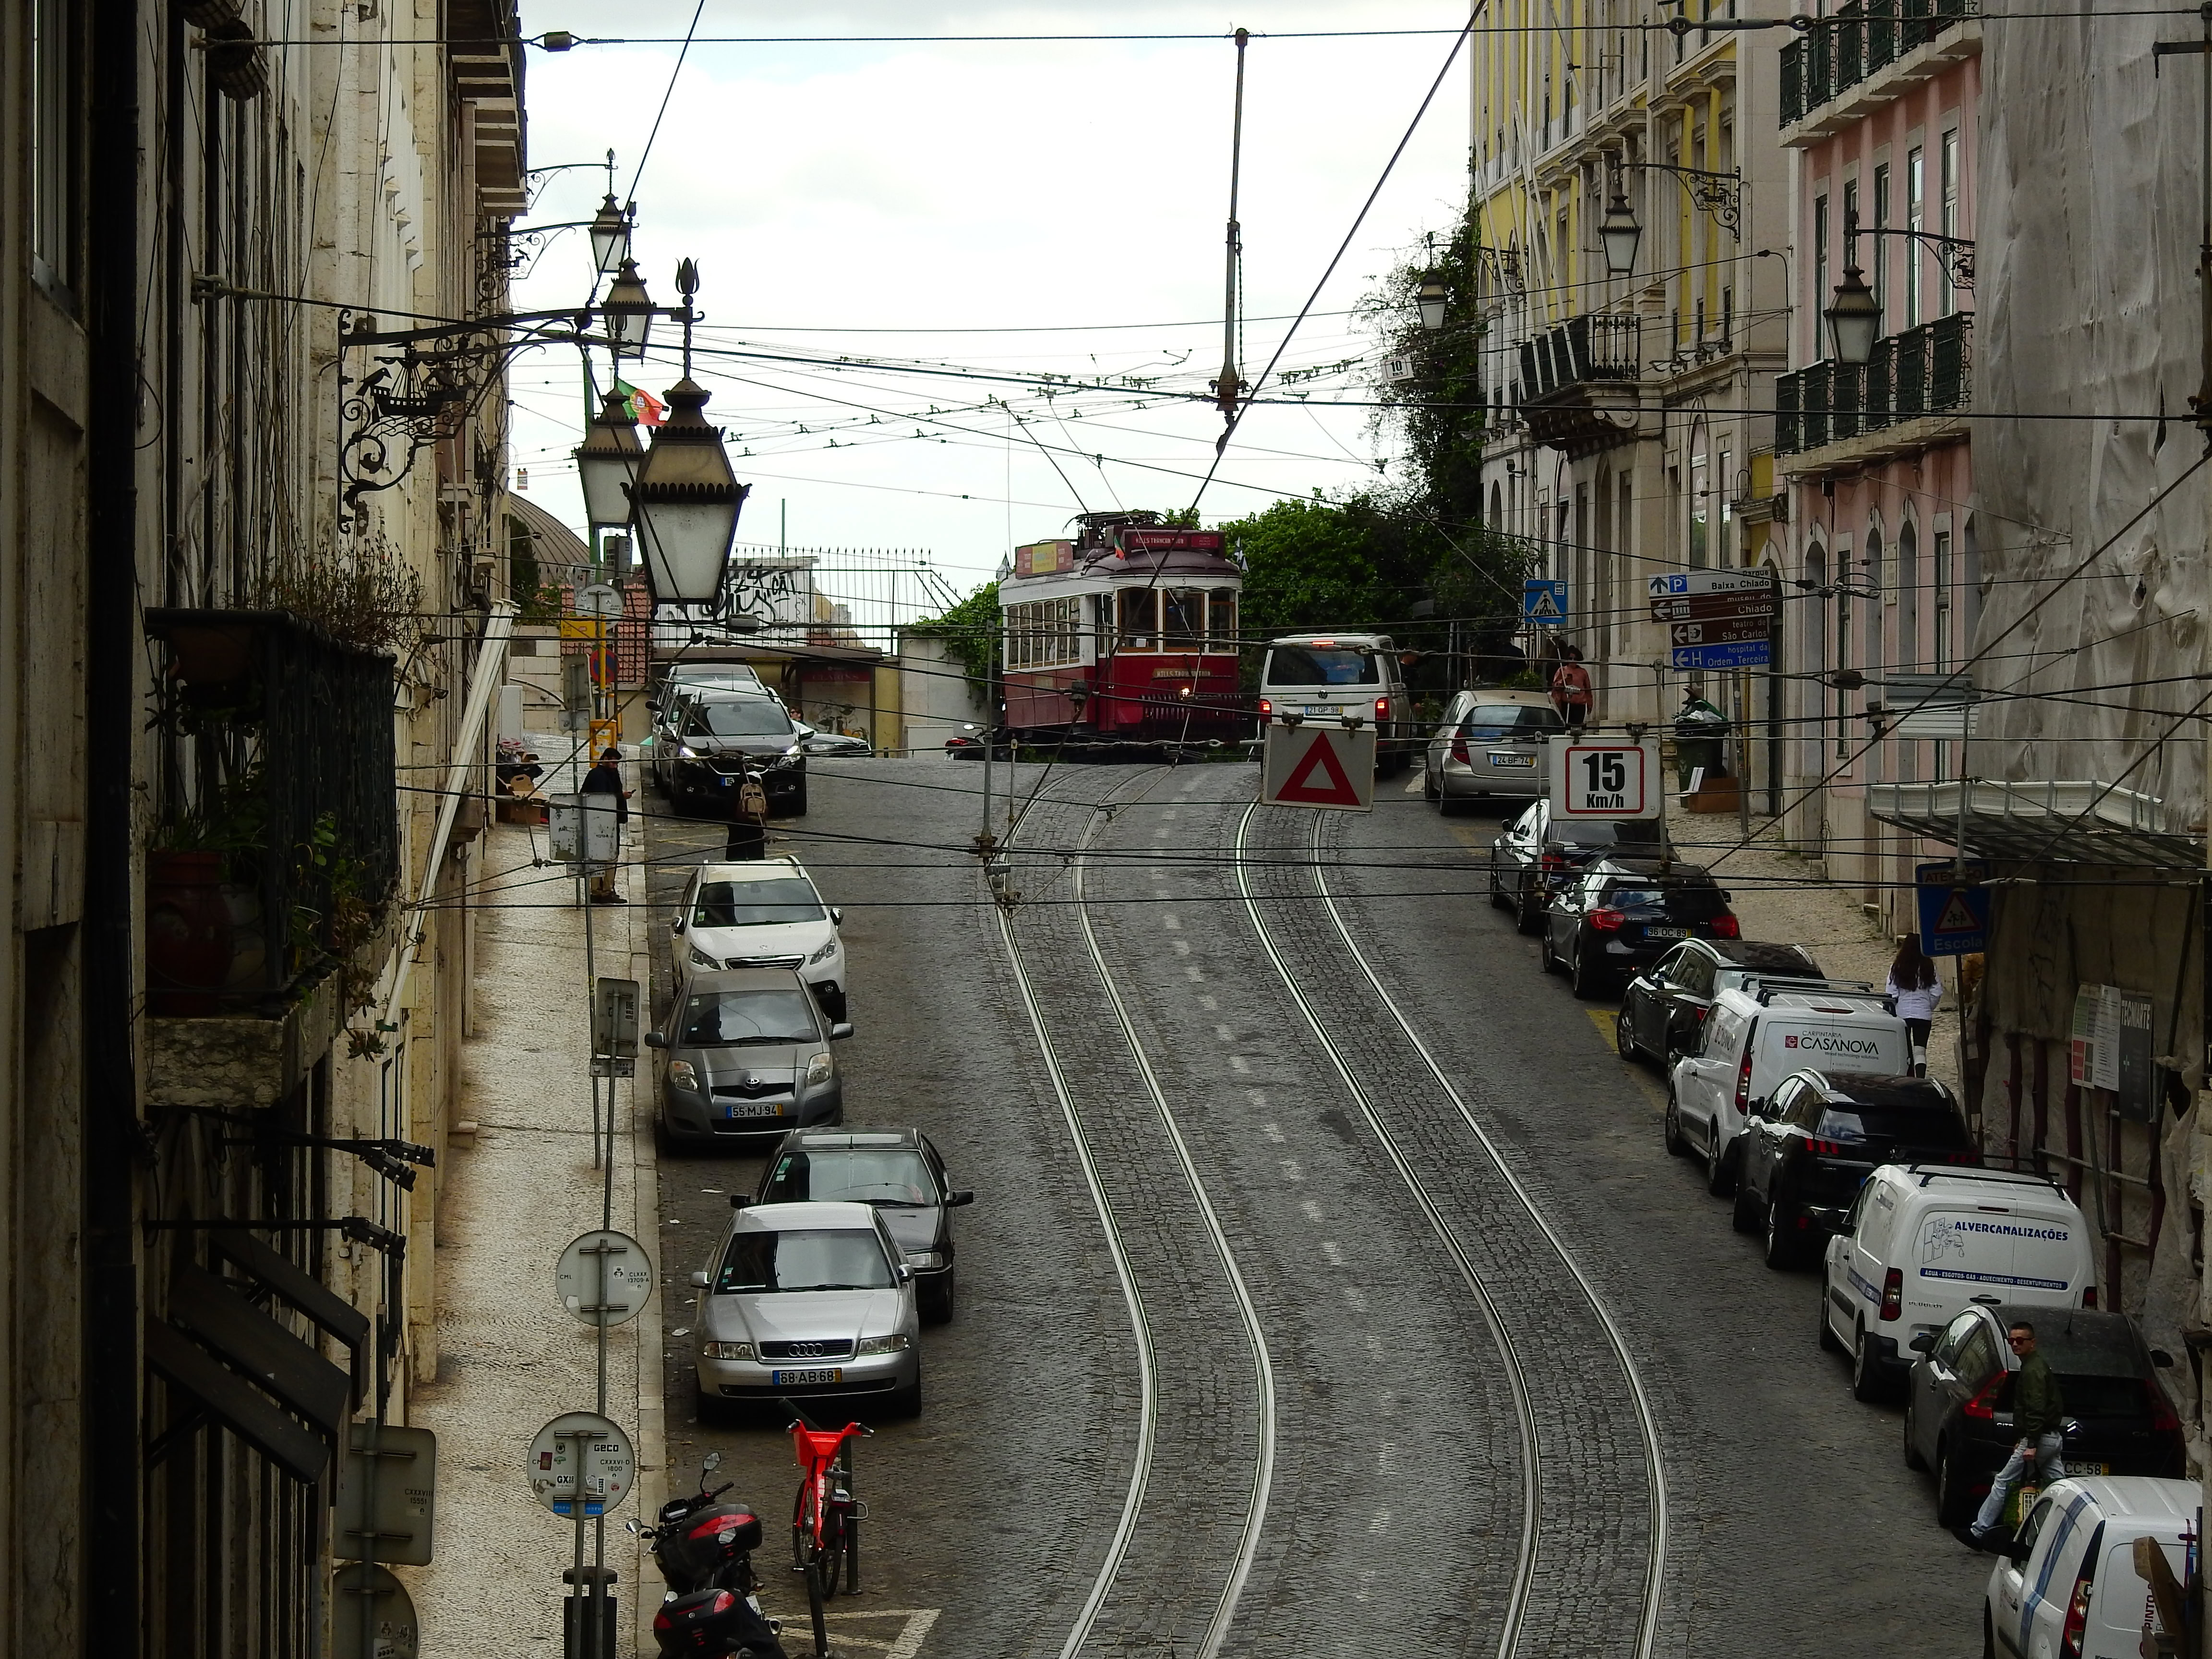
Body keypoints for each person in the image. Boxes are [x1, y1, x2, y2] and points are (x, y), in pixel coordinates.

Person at [1961, 1321, 2066, 1550]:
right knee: (2060, 1487)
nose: (2015, 1344)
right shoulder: (2034, 1366)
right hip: (2051, 1438)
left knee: (2003, 1480)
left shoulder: (2033, 1371)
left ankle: (1979, 1532)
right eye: (2012, 1341)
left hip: (2040, 1438)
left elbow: (2036, 1408)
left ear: (2033, 1343)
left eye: (2021, 1340)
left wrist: (2032, 1443)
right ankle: (2066, 1534)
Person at [1887, 934, 1943, 1077]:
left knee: (1904, 1051)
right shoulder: (1929, 967)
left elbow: (1891, 993)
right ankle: (1921, 1078)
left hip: (1902, 1015)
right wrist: (1927, 1007)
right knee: (1920, 1051)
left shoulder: (1897, 967)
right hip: (1923, 1016)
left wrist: (1897, 1008)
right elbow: (1936, 992)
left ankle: (1907, 1078)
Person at [581, 745, 630, 904]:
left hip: (609, 821)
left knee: (608, 856)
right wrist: (621, 796)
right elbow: (602, 800)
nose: (615, 767)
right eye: (613, 763)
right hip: (601, 823)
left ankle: (604, 890)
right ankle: (601, 892)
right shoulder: (598, 776)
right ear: (605, 759)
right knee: (603, 857)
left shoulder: (609, 774)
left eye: (617, 764)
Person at [724, 769, 769, 861]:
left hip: (738, 828)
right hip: (756, 828)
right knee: (756, 858)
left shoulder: (737, 787)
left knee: (736, 857)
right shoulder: (762, 788)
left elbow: (728, 807)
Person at [1550, 645, 1593, 730]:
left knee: (1577, 728)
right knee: (1566, 727)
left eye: (1575, 659)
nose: (1573, 661)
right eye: (1570, 659)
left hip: (1580, 705)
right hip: (1566, 704)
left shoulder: (1583, 672)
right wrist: (1563, 681)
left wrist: (1590, 705)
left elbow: (1588, 690)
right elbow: (1555, 686)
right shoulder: (1562, 670)